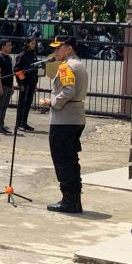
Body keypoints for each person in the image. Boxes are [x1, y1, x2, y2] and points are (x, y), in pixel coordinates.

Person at [39, 36, 88, 214]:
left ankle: (69, 200)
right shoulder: (79, 64)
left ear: (69, 49)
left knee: (63, 160)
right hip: (75, 117)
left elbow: (68, 91)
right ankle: (74, 199)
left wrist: (52, 102)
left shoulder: (67, 66)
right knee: (71, 160)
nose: (55, 51)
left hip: (64, 119)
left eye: (58, 48)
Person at [14, 36, 39, 131]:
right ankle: (19, 123)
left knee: (28, 103)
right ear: (27, 44)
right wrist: (20, 83)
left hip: (32, 82)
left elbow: (35, 70)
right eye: (32, 43)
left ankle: (24, 122)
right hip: (25, 83)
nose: (34, 45)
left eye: (34, 43)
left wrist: (35, 83)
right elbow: (17, 70)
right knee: (22, 103)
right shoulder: (22, 55)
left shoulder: (33, 55)